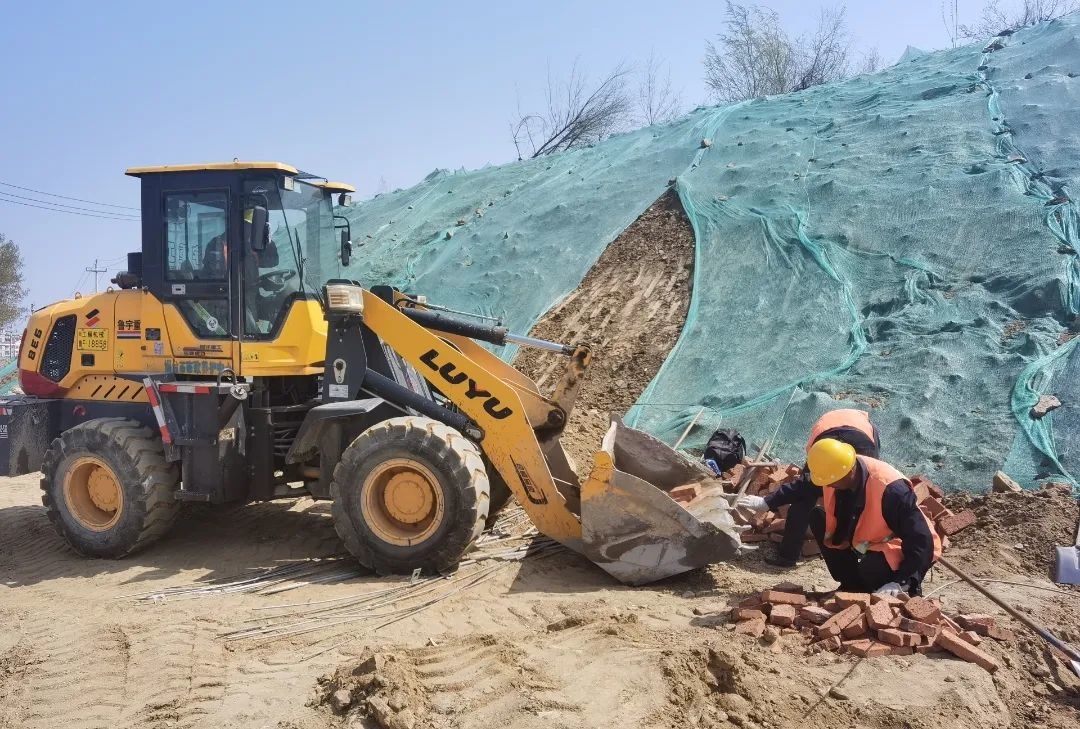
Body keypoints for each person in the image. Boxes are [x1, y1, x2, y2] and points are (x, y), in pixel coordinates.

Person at [740, 438, 941, 596]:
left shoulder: (891, 490)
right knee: (818, 518)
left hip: (900, 546)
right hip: (867, 541)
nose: (829, 485)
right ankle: (851, 587)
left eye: (833, 481)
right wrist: (767, 502)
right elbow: (804, 486)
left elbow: (920, 540)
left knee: (872, 570)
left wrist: (904, 580)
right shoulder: (835, 470)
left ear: (850, 471)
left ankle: (898, 591)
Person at [742, 409, 881, 567]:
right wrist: (768, 502)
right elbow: (805, 485)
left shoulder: (865, 452)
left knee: (854, 500)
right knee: (805, 497)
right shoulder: (819, 450)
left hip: (863, 437)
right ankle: (788, 556)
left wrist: (768, 502)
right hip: (832, 433)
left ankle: (854, 555)